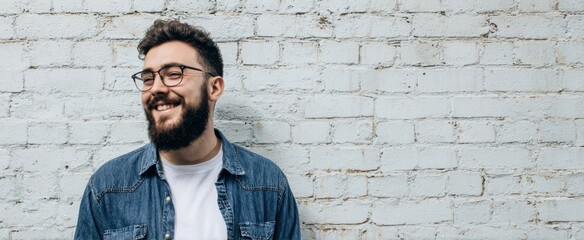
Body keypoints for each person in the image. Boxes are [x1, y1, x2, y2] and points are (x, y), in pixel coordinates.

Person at [74, 19, 301, 240]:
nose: (156, 88)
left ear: (214, 87)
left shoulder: (267, 184)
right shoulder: (108, 187)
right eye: (147, 78)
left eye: (174, 74)